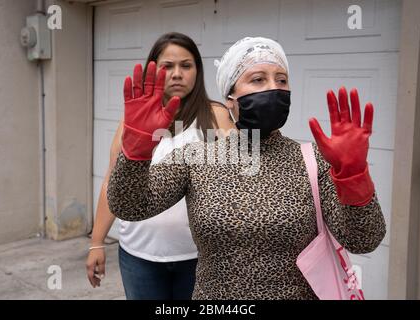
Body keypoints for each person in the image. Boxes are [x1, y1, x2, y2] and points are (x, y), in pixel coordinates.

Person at [107, 36, 386, 299]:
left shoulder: (313, 159)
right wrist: (135, 152)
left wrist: (353, 176)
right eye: (258, 79)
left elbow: (364, 240)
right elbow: (130, 206)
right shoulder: (197, 158)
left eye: (281, 80)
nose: (273, 88)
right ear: (231, 97)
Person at [86, 32, 234, 300]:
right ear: (153, 71)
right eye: (167, 66)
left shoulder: (215, 116)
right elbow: (111, 182)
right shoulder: (132, 123)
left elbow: (239, 177)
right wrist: (97, 242)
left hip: (197, 257)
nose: (177, 73)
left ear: (197, 71)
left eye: (186, 65)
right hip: (138, 255)